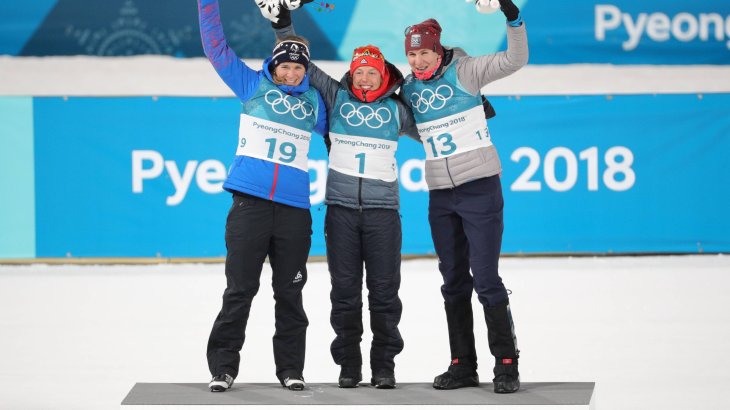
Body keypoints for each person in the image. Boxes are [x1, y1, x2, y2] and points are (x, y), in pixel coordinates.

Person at [255, 2, 418, 389]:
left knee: (384, 293)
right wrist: (284, 23)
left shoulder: (398, 109)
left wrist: (473, 101)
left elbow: (436, 120)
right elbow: (303, 65)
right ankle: (349, 364)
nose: (363, 79)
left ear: (382, 76)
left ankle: (384, 366)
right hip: (341, 213)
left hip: (383, 215)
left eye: (370, 73)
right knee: (344, 293)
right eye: (358, 72)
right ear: (351, 74)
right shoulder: (335, 96)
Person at [197, 0, 327, 393]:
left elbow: (357, 116)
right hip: (249, 206)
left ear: (306, 71)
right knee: (239, 290)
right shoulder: (251, 85)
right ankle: (223, 368)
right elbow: (216, 48)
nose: (290, 73)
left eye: (298, 67)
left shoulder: (315, 104)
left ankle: (291, 369)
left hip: (293, 212)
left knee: (290, 293)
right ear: (273, 65)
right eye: (285, 65)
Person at [399, 0, 528, 394]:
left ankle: (506, 362)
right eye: (412, 54)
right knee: (453, 281)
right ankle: (462, 364)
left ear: (438, 51)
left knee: (486, 279)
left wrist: (512, 17)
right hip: (441, 195)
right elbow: (405, 125)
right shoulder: (408, 89)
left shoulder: (467, 71)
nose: (419, 61)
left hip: (480, 189)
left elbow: (515, 60)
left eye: (425, 52)